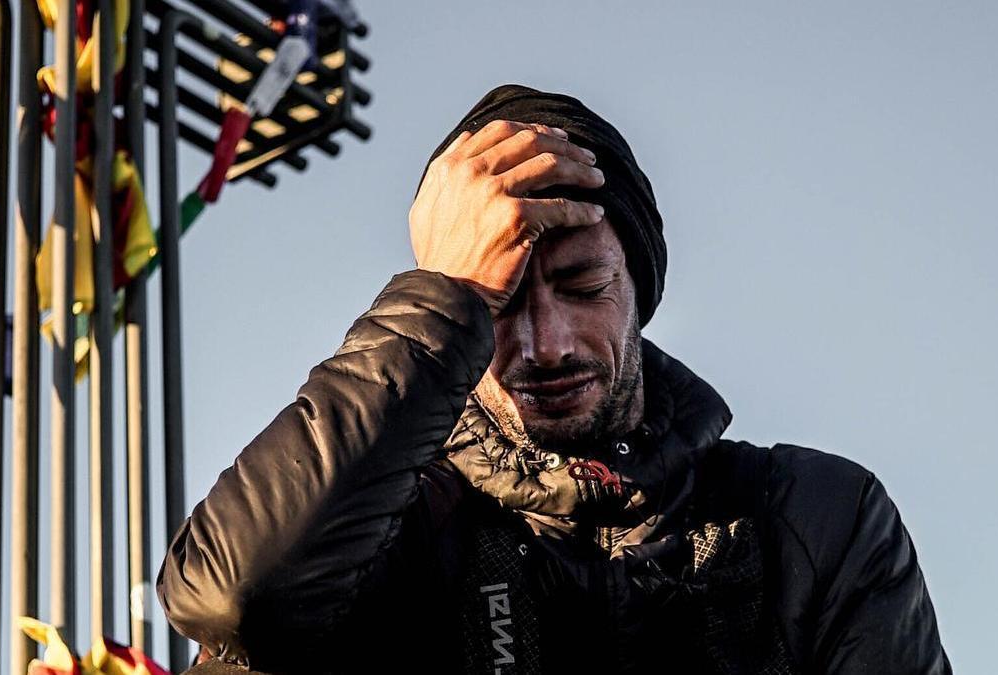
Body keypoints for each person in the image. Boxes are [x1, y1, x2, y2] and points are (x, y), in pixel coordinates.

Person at [157, 84, 952, 674]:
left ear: (640, 288)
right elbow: (231, 604)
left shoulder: (813, 520)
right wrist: (446, 295)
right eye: (500, 306)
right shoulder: (381, 539)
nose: (545, 344)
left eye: (582, 286)